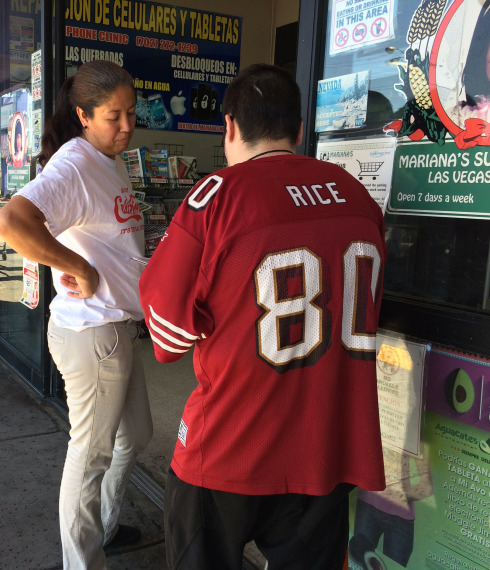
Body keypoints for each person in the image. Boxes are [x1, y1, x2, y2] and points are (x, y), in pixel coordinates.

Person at [139, 64, 387, 570]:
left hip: (231, 442)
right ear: (299, 131)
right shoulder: (356, 194)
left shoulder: (218, 195)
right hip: (326, 447)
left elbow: (166, 333)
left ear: (228, 126)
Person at [0, 60, 152, 569]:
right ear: (84, 115)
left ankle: (102, 527)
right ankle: (83, 560)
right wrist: (74, 264)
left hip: (116, 328)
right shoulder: (76, 163)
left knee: (137, 434)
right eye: (113, 116)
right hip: (93, 333)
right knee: (91, 456)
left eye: (131, 113)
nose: (126, 126)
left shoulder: (108, 157)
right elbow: (11, 220)